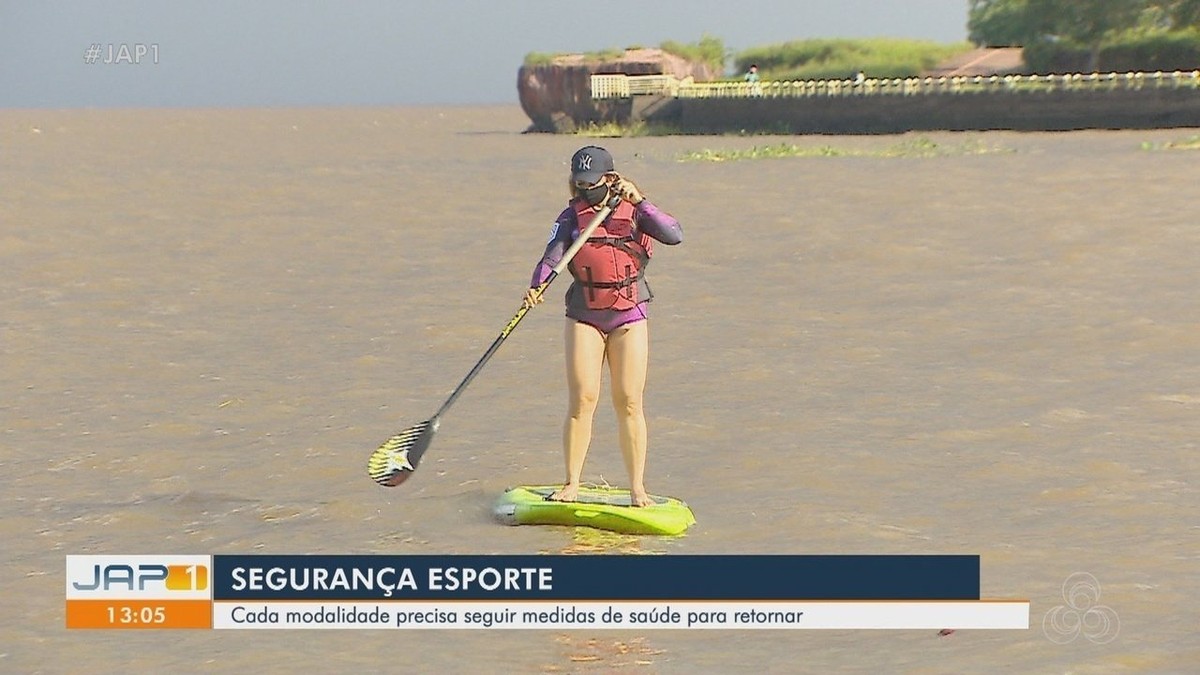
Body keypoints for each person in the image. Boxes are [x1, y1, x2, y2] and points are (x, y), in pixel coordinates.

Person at [523, 146, 683, 507]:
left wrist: (640, 201)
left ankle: (637, 489)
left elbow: (675, 234)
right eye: (579, 184)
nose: (585, 190)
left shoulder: (636, 211)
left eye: (591, 183)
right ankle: (571, 483)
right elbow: (550, 258)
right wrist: (537, 286)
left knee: (629, 401)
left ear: (610, 179)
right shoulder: (570, 217)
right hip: (585, 315)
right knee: (583, 399)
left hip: (629, 315)